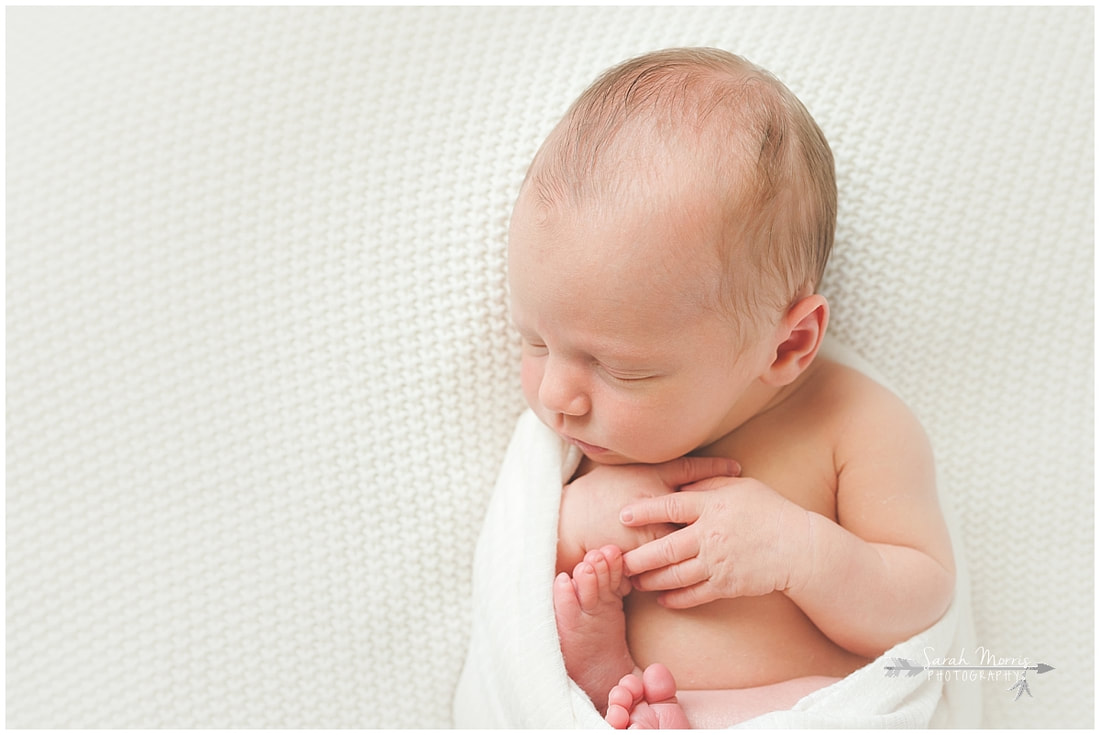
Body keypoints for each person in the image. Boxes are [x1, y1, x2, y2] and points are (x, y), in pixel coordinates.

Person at [506, 47, 957, 728]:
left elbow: (921, 597)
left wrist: (800, 552)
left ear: (787, 344)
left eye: (620, 368)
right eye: (535, 341)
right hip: (655, 705)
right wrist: (579, 519)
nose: (559, 396)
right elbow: (517, 557)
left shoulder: (853, 423)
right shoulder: (597, 442)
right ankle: (606, 678)